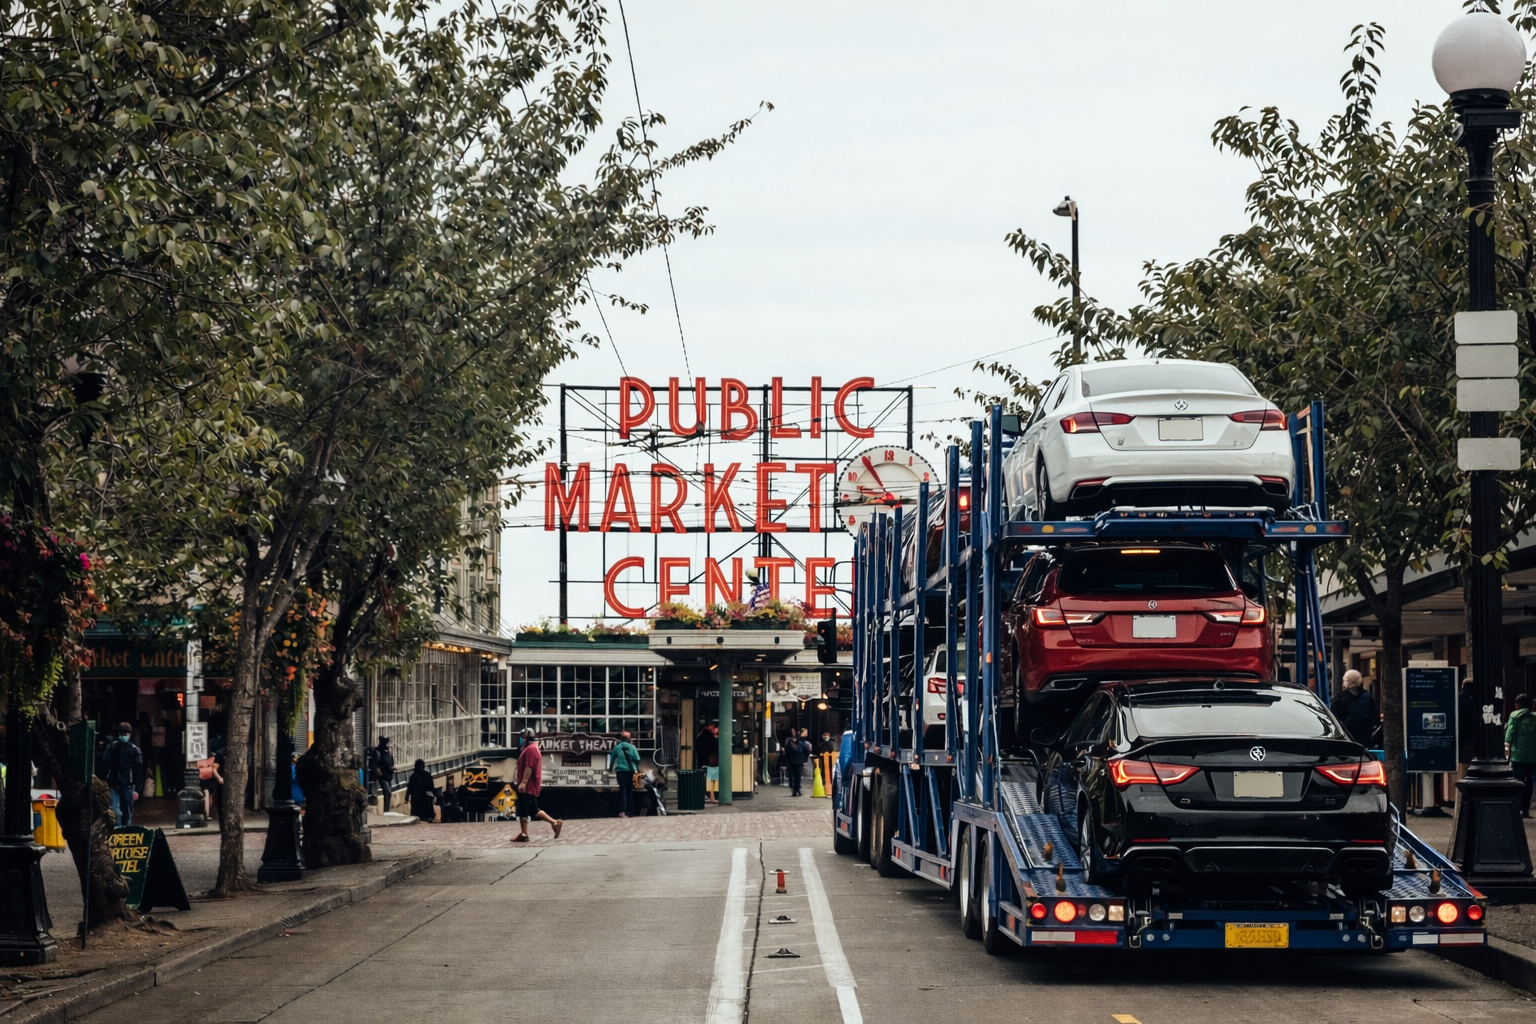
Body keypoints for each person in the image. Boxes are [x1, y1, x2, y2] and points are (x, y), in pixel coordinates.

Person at [512, 728, 563, 842]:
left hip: (528, 786)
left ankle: (525, 833)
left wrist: (524, 782)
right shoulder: (532, 748)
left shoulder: (530, 749)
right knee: (534, 810)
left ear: (526, 738)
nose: (521, 740)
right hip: (529, 786)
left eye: (522, 737)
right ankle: (554, 823)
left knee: (524, 810)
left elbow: (529, 766)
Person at [100, 722, 144, 826]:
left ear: (130, 734)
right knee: (116, 809)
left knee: (126, 811)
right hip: (116, 783)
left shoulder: (133, 750)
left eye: (126, 733)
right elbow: (105, 765)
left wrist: (137, 788)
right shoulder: (113, 747)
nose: (124, 736)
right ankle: (119, 829)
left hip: (127, 784)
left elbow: (138, 771)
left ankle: (124, 829)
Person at [1330, 670, 1379, 747]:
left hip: (1346, 739)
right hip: (1365, 739)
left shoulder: (1339, 699)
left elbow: (1334, 719)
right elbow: (1376, 718)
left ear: (1346, 682)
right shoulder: (1368, 697)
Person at [1506, 693, 1536, 819]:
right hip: (1533, 756)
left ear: (1517, 705)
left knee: (1517, 781)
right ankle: (1525, 808)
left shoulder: (1514, 715)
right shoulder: (1535, 717)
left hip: (1517, 755)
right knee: (1529, 782)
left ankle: (1517, 806)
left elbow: (1509, 734)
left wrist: (1507, 748)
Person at [612, 731, 641, 818]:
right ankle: (630, 811)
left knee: (622, 790)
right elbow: (637, 758)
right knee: (629, 791)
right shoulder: (632, 747)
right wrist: (635, 766)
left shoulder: (617, 747)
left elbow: (612, 757)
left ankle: (622, 811)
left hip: (620, 771)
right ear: (629, 739)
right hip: (629, 771)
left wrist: (610, 768)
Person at [1459, 675, 1480, 780]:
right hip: (1475, 742)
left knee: (1464, 771)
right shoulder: (1478, 701)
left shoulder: (1458, 700)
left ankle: (1462, 795)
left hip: (1462, 743)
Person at [696, 723, 721, 804]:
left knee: (704, 778)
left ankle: (703, 795)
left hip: (702, 761)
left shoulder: (699, 738)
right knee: (712, 779)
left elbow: (697, 750)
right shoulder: (714, 739)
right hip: (712, 761)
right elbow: (718, 749)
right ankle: (712, 797)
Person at [370, 737, 396, 812]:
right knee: (388, 792)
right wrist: (377, 769)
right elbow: (374, 763)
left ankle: (387, 810)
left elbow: (391, 762)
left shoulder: (388, 752)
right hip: (382, 775)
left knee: (388, 793)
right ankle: (386, 811)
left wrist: (392, 768)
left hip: (388, 774)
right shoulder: (378, 752)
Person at [786, 727, 811, 797]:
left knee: (794, 776)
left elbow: (787, 751)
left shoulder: (790, 742)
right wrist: (804, 758)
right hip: (797, 761)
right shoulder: (801, 743)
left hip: (794, 760)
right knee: (797, 776)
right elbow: (806, 750)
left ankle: (795, 789)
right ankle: (796, 789)